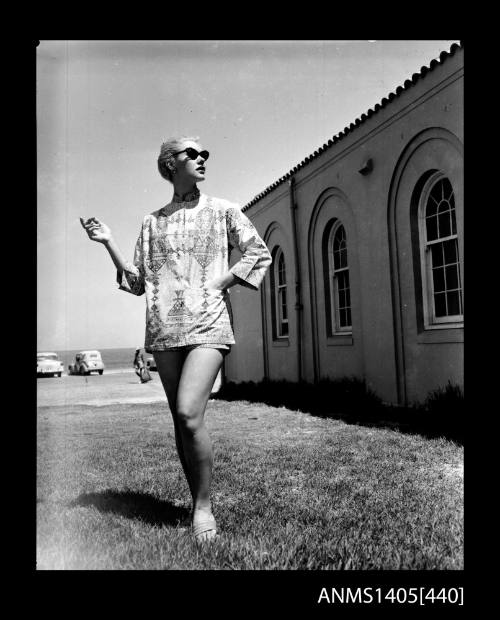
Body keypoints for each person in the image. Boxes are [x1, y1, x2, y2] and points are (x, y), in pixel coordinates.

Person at [80, 136, 271, 543]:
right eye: (192, 154)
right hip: (164, 330)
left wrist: (223, 280)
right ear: (170, 165)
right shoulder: (152, 221)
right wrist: (108, 243)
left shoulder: (224, 210)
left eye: (205, 154)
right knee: (182, 423)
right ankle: (193, 501)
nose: (202, 159)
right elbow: (137, 283)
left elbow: (258, 252)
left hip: (210, 326)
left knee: (187, 412)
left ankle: (203, 508)